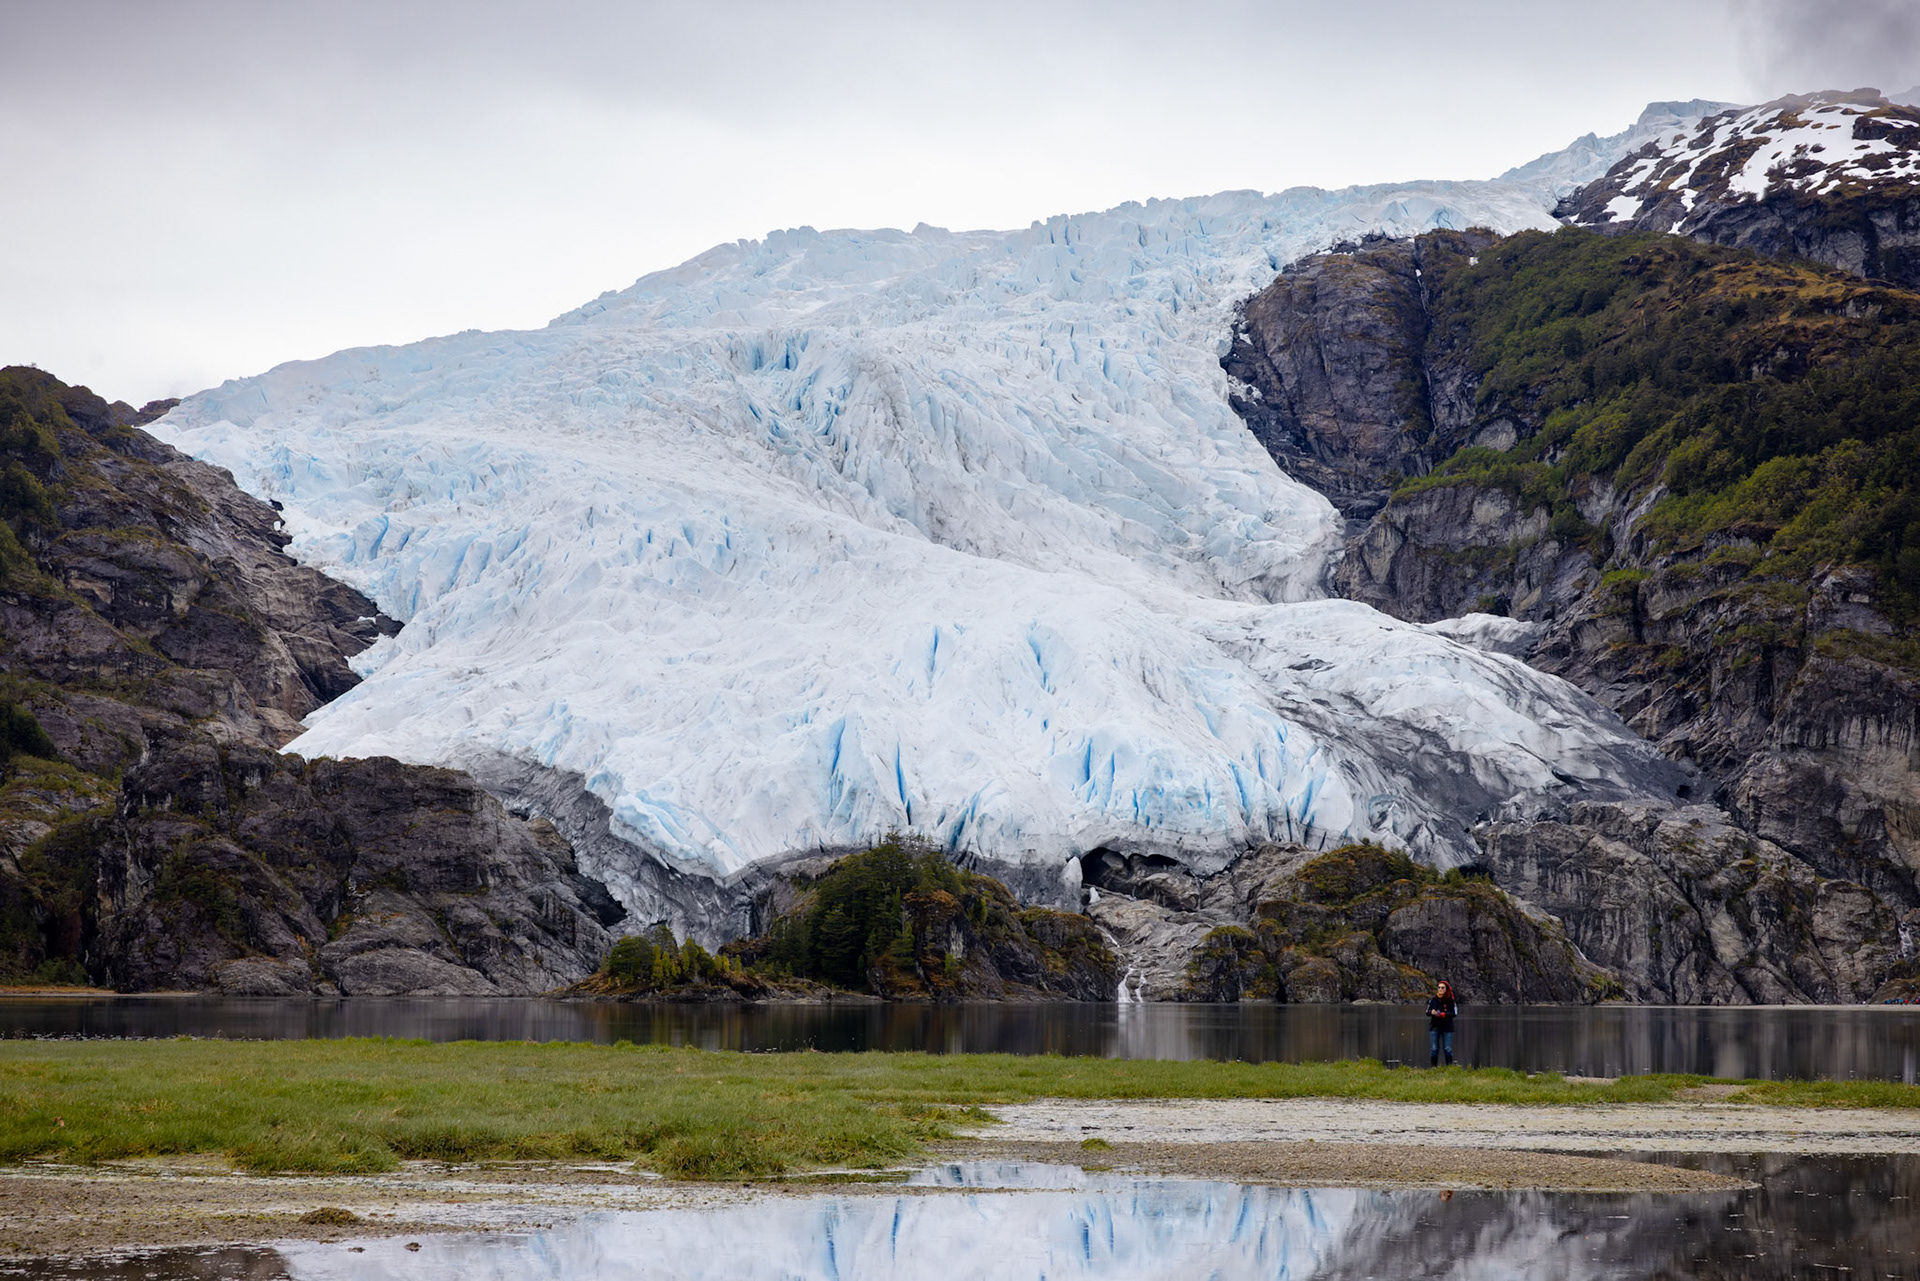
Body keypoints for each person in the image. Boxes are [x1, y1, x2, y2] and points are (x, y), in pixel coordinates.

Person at [1427, 980, 1458, 1067]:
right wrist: (1431, 1012)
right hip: (1434, 1026)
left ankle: (1449, 1067)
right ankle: (1434, 1067)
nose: (1440, 989)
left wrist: (1444, 1014)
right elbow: (1427, 1012)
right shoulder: (1433, 1000)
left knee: (1447, 1048)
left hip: (1447, 1027)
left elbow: (1454, 1013)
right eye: (1439, 987)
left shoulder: (1451, 1000)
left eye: (1442, 988)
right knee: (1434, 1049)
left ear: (1446, 989)